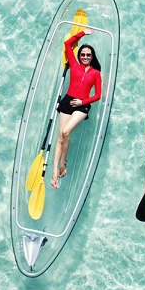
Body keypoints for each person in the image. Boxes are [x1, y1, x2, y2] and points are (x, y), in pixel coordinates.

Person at [50, 28, 102, 189]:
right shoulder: (74, 64)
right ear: (79, 56)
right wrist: (82, 33)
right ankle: (54, 172)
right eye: (83, 54)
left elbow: (98, 95)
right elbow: (67, 43)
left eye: (88, 54)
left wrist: (82, 102)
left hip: (82, 105)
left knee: (66, 132)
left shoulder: (96, 73)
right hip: (67, 102)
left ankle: (64, 161)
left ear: (92, 57)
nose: (85, 57)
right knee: (60, 137)